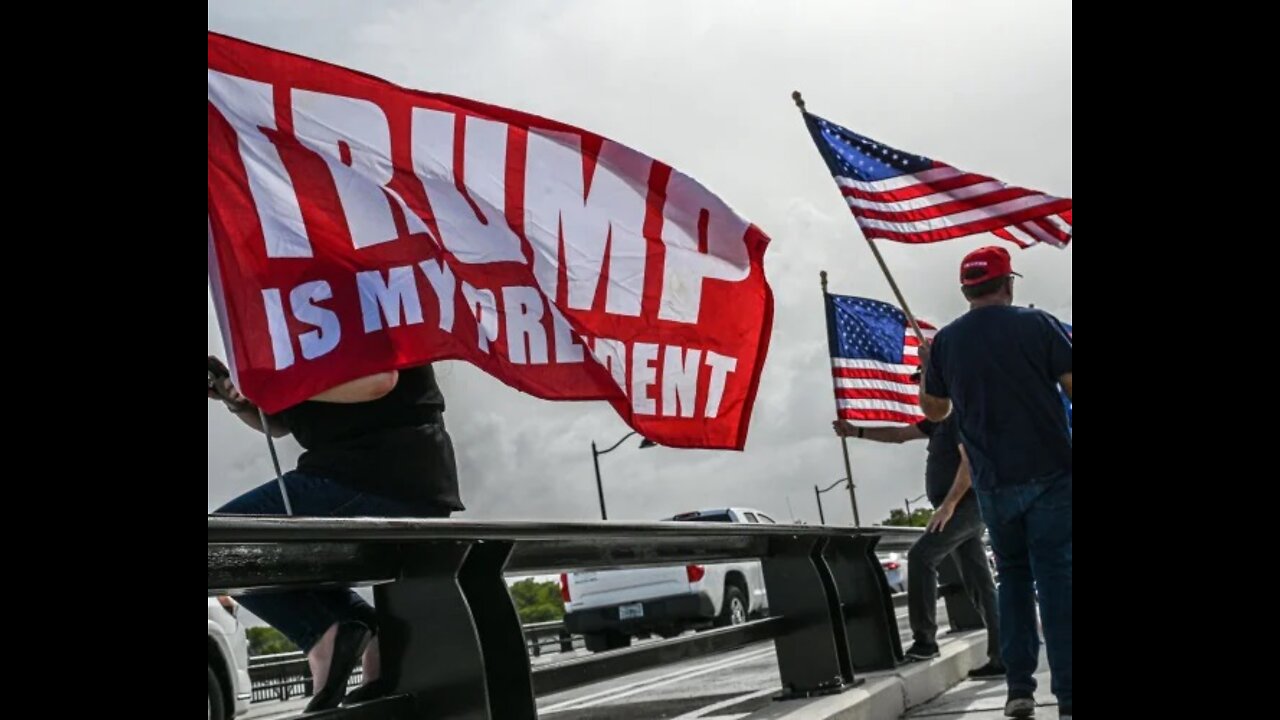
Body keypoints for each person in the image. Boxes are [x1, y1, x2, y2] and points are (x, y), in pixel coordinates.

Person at [208, 358, 463, 711]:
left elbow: (378, 380)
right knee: (228, 544)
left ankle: (330, 633)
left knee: (218, 543)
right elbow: (279, 424)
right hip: (385, 475)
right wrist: (238, 399)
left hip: (374, 473)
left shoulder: (354, 305)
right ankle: (362, 632)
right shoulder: (300, 328)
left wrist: (269, 384)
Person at [918, 246, 1072, 720]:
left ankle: (1018, 689)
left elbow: (935, 411)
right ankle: (1068, 696)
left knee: (1013, 581)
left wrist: (930, 365)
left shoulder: (946, 342)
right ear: (1008, 284)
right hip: (1050, 474)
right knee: (1057, 581)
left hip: (992, 484)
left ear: (966, 291)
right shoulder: (1038, 324)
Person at [833, 413, 1003, 678]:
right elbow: (899, 435)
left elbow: (969, 463)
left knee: (921, 556)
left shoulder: (959, 414)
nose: (921, 385)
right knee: (979, 581)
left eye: (922, 376)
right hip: (962, 508)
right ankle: (1003, 653)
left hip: (966, 507)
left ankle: (925, 641)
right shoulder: (938, 420)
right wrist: (857, 431)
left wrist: (948, 506)